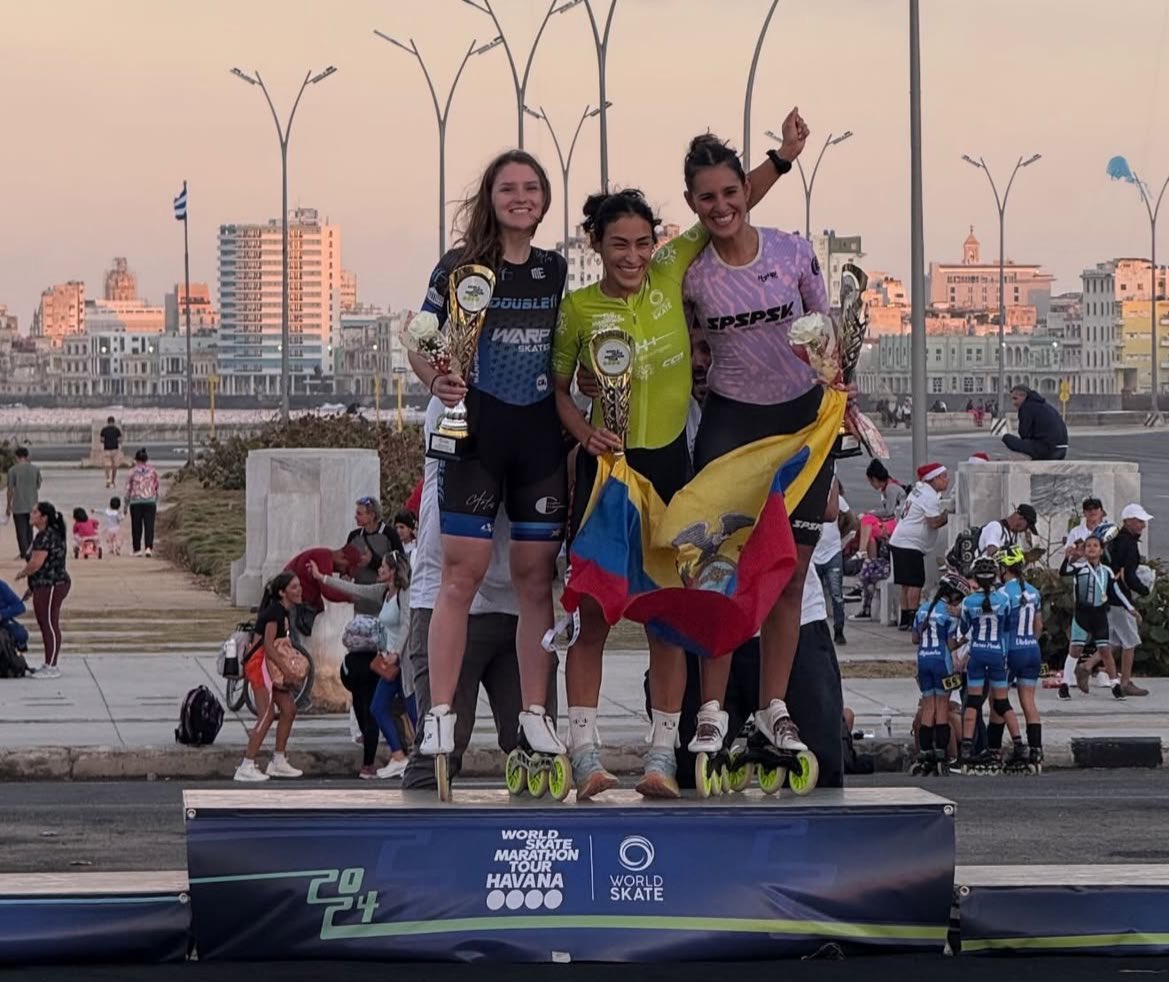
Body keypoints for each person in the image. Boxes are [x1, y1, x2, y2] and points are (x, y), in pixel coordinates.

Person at [552, 120, 806, 798]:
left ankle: (662, 757)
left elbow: (732, 201)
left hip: (669, 469)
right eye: (618, 246)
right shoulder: (577, 309)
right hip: (607, 475)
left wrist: (780, 159)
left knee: (667, 616)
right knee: (596, 615)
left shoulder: (670, 271)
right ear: (596, 246)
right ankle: (585, 757)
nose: (632, 256)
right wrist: (583, 432)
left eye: (641, 242)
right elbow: (558, 388)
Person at [680, 124, 847, 784]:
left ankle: (774, 708)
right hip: (731, 425)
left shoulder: (790, 249)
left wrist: (837, 375)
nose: (721, 207)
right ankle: (712, 710)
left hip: (803, 424)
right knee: (717, 571)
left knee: (788, 575)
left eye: (730, 193)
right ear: (691, 204)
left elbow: (828, 332)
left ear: (744, 193)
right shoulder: (691, 275)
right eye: (706, 199)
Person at [408, 148, 576, 786]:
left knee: (538, 582)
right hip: (474, 432)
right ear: (491, 196)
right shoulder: (458, 268)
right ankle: (441, 713)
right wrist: (438, 380)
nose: (521, 197)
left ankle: (536, 711)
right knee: (462, 575)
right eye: (509, 188)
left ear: (543, 200)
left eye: (531, 188)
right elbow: (421, 337)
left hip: (536, 436)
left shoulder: (554, 270)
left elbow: (566, 355)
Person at [401, 395, 557, 791]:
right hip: (445, 604)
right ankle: (419, 845)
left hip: (520, 611)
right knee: (435, 758)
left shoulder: (541, 399)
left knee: (538, 755)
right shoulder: (451, 401)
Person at [318, 551, 415, 779]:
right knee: (378, 708)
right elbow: (356, 590)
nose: (379, 570)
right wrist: (323, 578)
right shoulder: (384, 592)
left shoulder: (405, 594)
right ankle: (399, 756)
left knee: (412, 711)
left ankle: (425, 757)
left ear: (393, 571)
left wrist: (396, 653)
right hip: (388, 664)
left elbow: (407, 624)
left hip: (403, 662)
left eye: (383, 566)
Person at [234, 571, 306, 782]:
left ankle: (279, 761)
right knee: (266, 714)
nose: (299, 589)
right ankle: (246, 765)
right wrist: (286, 669)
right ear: (282, 592)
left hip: (271, 665)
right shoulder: (275, 612)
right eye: (294, 587)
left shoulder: (283, 612)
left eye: (299, 585)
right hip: (261, 665)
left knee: (289, 709)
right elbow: (267, 644)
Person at [957, 557, 1022, 773]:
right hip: (997, 653)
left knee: (974, 701)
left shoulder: (968, 602)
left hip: (977, 654)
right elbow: (1006, 626)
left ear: (975, 577)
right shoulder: (1003, 599)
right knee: (1002, 703)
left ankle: (966, 748)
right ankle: (1019, 745)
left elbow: (965, 628)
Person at [1058, 535, 1137, 701]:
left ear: (1101, 550)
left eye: (1095, 546)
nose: (1092, 548)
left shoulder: (1106, 571)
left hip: (1099, 614)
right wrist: (1069, 557)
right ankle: (1064, 684)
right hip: (1082, 614)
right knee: (1075, 649)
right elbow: (1063, 572)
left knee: (1105, 650)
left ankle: (1115, 685)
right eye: (1088, 546)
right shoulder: (1079, 569)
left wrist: (1130, 608)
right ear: (1084, 550)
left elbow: (1116, 592)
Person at [910, 573, 968, 774]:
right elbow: (951, 644)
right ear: (953, 596)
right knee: (942, 707)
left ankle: (925, 752)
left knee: (928, 706)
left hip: (923, 660)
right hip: (941, 662)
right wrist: (964, 641)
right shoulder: (949, 614)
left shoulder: (922, 610)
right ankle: (942, 752)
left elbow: (915, 639)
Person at [997, 547, 1045, 771]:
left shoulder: (1004, 593)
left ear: (1003, 568)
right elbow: (1039, 626)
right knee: (1028, 700)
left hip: (1011, 650)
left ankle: (995, 748)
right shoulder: (1034, 592)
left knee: (998, 699)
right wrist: (1030, 642)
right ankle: (1037, 749)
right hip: (1031, 649)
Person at [889, 463, 951, 630]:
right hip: (910, 544)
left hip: (899, 540)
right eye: (944, 476)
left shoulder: (919, 490)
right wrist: (948, 514)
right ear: (934, 479)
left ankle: (904, 619)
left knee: (906, 584)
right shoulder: (929, 496)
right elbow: (933, 522)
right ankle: (913, 619)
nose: (947, 480)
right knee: (915, 583)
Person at [13, 501, 71, 679]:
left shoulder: (46, 536)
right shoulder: (43, 535)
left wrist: (23, 573)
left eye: (35, 512)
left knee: (49, 624)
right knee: (46, 623)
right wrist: (32, 587)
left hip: (52, 584)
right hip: (42, 585)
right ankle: (48, 663)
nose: (31, 515)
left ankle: (52, 666)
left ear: (44, 517)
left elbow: (37, 563)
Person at [1107, 503, 1153, 697]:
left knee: (1114, 640)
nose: (1143, 525)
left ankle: (1085, 666)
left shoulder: (1115, 540)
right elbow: (1128, 576)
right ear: (1128, 522)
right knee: (1130, 642)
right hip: (1121, 598)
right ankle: (1125, 682)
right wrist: (1143, 590)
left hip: (1110, 595)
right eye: (1139, 521)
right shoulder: (1129, 544)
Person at [812, 478, 854, 645]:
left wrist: (839, 536)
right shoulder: (810, 498)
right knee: (814, 596)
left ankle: (838, 630)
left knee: (836, 595)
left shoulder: (837, 500)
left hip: (832, 552)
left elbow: (851, 520)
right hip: (813, 554)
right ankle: (817, 632)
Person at [284, 544, 370, 615]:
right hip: (294, 603)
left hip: (301, 601)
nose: (343, 571)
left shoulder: (325, 556)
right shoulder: (323, 558)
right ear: (343, 557)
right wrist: (350, 597)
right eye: (347, 568)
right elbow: (328, 592)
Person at [1002, 385, 1068, 460]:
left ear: (1023, 396)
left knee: (1007, 438)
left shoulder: (1026, 407)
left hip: (1048, 450)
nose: (1013, 403)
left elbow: (1024, 433)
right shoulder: (1045, 405)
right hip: (1062, 450)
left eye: (1015, 399)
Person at [858, 459, 905, 559]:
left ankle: (864, 553)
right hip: (895, 520)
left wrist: (872, 513)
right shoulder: (889, 486)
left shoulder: (890, 488)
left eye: (870, 482)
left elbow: (889, 511)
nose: (871, 485)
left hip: (897, 522)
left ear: (874, 479)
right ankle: (868, 556)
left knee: (867, 522)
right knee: (868, 525)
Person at [5, 447, 41, 560]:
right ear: (27, 456)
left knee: (21, 531)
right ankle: (30, 551)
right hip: (32, 504)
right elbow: (38, 485)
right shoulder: (35, 469)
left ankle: (24, 553)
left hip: (18, 504)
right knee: (29, 530)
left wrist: (8, 505)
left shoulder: (13, 470)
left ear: (16, 457)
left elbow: (10, 489)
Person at [124, 449, 160, 557]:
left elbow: (128, 489)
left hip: (136, 501)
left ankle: (137, 549)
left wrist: (125, 505)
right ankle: (148, 547)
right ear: (146, 460)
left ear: (136, 460)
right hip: (150, 501)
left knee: (136, 526)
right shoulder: (153, 471)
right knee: (149, 525)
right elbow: (157, 486)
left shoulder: (132, 472)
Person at [0, 577, 29, 652]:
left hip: (3, 623)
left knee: (21, 634)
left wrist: (2, 614)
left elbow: (20, 607)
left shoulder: (1, 586)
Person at [99, 416, 122, 489]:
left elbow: (102, 440)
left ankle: (108, 479)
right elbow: (120, 440)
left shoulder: (104, 430)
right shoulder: (117, 430)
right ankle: (113, 480)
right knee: (115, 466)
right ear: (114, 422)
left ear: (108, 422)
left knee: (107, 465)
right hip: (115, 449)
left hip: (107, 449)